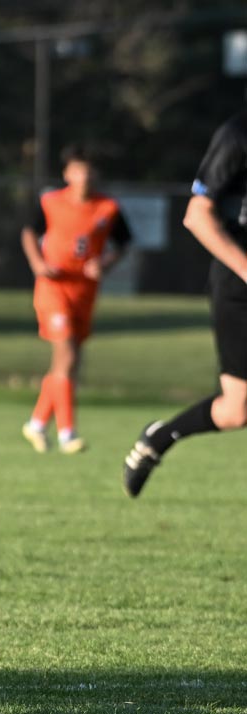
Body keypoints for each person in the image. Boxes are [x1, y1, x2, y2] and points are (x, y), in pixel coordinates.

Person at [123, 111, 247, 496]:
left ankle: (159, 439)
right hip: (237, 284)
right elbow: (197, 217)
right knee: (236, 410)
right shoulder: (237, 135)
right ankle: (160, 438)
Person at [20, 144, 132, 455]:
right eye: (78, 169)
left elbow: (123, 243)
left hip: (84, 292)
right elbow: (29, 232)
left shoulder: (108, 208)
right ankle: (68, 432)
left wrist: (104, 263)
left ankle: (37, 423)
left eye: (89, 169)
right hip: (53, 288)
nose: (84, 176)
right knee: (67, 358)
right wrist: (37, 263)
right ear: (67, 173)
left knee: (68, 364)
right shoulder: (50, 202)